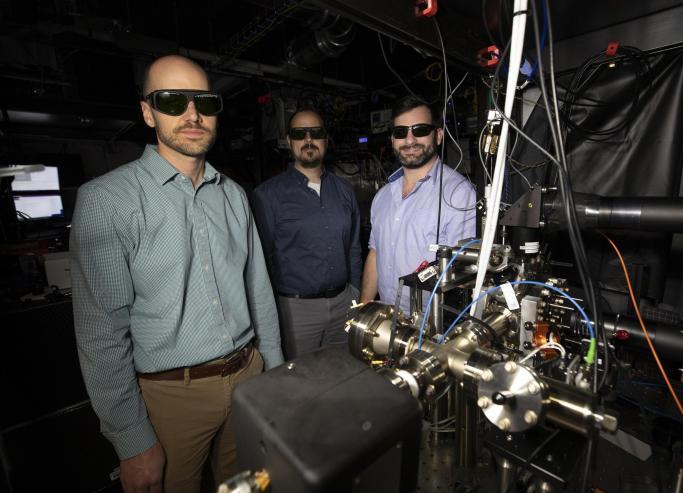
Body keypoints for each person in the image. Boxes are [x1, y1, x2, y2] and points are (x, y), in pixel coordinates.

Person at [70, 54, 283, 493]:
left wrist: (274, 375)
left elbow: (258, 290)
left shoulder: (235, 196)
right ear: (148, 112)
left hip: (248, 376)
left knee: (250, 488)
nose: (192, 114)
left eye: (204, 101)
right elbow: (101, 334)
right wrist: (132, 441)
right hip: (171, 399)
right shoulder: (107, 201)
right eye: (172, 100)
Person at [252, 108, 362, 360]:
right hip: (296, 312)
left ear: (326, 140)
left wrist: (354, 294)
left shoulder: (345, 190)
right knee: (300, 386)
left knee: (341, 374)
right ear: (289, 141)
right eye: (300, 134)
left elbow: (354, 248)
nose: (309, 140)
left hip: (344, 304)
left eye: (316, 133)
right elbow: (263, 259)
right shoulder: (267, 195)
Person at [360, 96, 476, 313]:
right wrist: (364, 310)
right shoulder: (382, 196)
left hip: (431, 328)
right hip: (385, 323)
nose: (410, 140)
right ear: (393, 140)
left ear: (438, 135)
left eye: (420, 130)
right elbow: (375, 254)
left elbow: (462, 275)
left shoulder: (458, 193)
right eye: (401, 132)